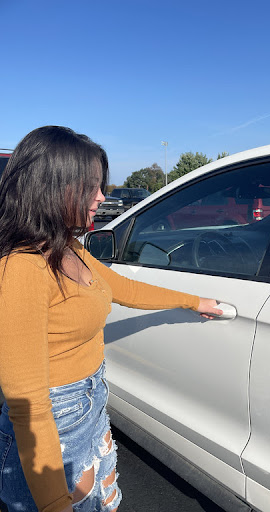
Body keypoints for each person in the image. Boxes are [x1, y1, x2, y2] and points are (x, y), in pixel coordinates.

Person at [0, 126, 223, 512]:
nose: (104, 197)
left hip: (89, 403)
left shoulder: (65, 246)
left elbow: (122, 288)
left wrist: (193, 301)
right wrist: (54, 504)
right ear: (51, 187)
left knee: (105, 503)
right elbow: (30, 404)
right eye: (92, 187)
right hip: (53, 427)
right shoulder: (21, 268)